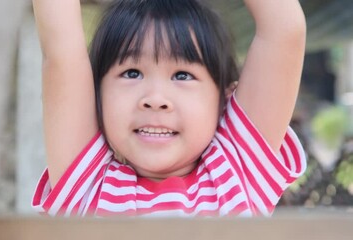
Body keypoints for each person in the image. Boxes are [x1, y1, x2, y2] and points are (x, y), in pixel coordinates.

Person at [32, 0, 307, 217]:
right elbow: (61, 52)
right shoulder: (87, 186)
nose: (155, 98)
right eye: (131, 73)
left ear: (224, 101)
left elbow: (284, 30)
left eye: (182, 75)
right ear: (96, 98)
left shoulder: (238, 170)